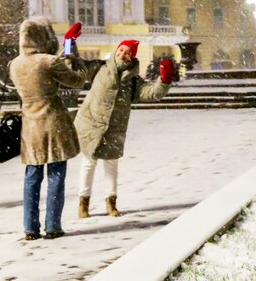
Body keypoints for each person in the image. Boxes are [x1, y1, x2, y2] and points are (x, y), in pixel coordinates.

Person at [74, 40, 178, 218]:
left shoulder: (133, 80)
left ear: (132, 56)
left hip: (115, 127)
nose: (123, 54)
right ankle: (83, 204)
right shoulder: (100, 68)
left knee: (111, 165)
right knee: (88, 163)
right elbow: (77, 66)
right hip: (91, 124)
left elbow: (152, 93)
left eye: (128, 52)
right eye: (121, 50)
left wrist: (165, 79)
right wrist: (70, 42)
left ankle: (111, 203)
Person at [8, 16, 86, 240]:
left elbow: (38, 74)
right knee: (56, 174)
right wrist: (73, 59)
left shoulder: (15, 63)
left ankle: (30, 227)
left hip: (30, 127)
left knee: (32, 176)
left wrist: (57, 58)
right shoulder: (49, 62)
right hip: (53, 122)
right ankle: (52, 226)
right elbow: (77, 81)